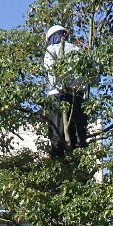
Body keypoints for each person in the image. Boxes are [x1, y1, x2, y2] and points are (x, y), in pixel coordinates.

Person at [42, 24, 89, 155]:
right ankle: (78, 159)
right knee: (78, 137)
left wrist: (59, 82)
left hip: (58, 94)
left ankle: (59, 160)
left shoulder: (52, 49)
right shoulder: (80, 51)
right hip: (78, 96)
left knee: (57, 136)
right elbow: (91, 77)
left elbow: (51, 73)